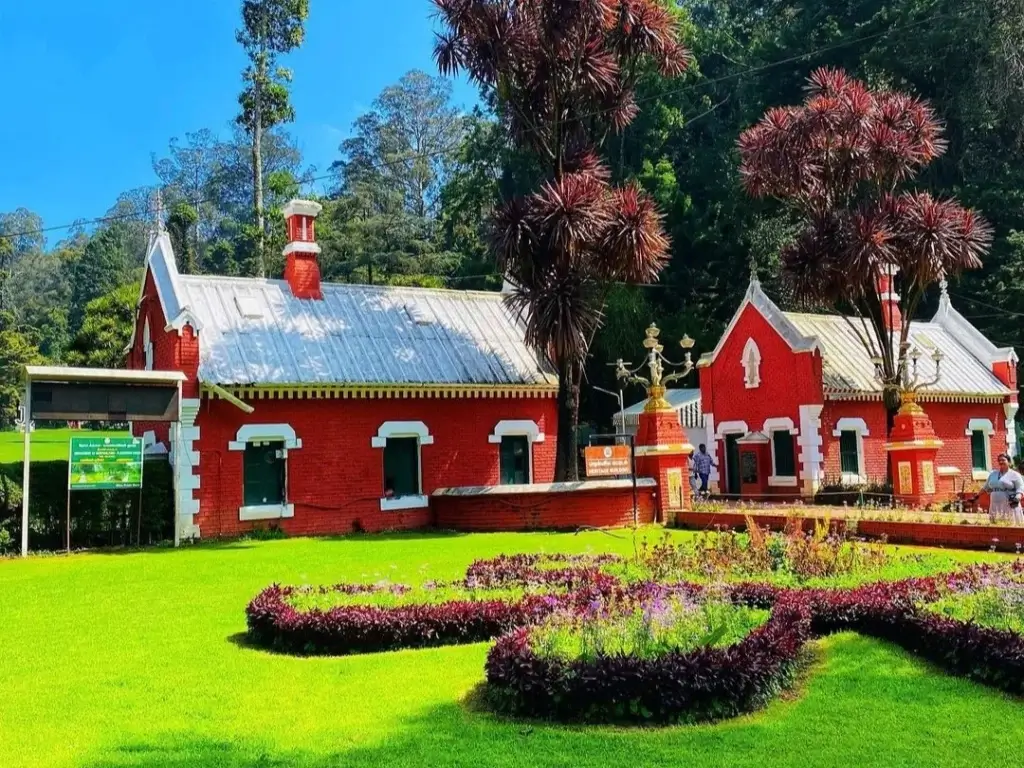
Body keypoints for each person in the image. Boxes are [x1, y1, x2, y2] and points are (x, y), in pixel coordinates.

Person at [983, 453, 1024, 526]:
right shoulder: (993, 474)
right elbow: (985, 487)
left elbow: (1020, 489)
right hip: (995, 503)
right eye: (999, 460)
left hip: (1009, 503)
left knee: (1011, 524)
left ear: (1009, 462)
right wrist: (975, 497)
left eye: (1003, 460)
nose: (1001, 462)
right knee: (996, 524)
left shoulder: (1015, 475)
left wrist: (1017, 499)